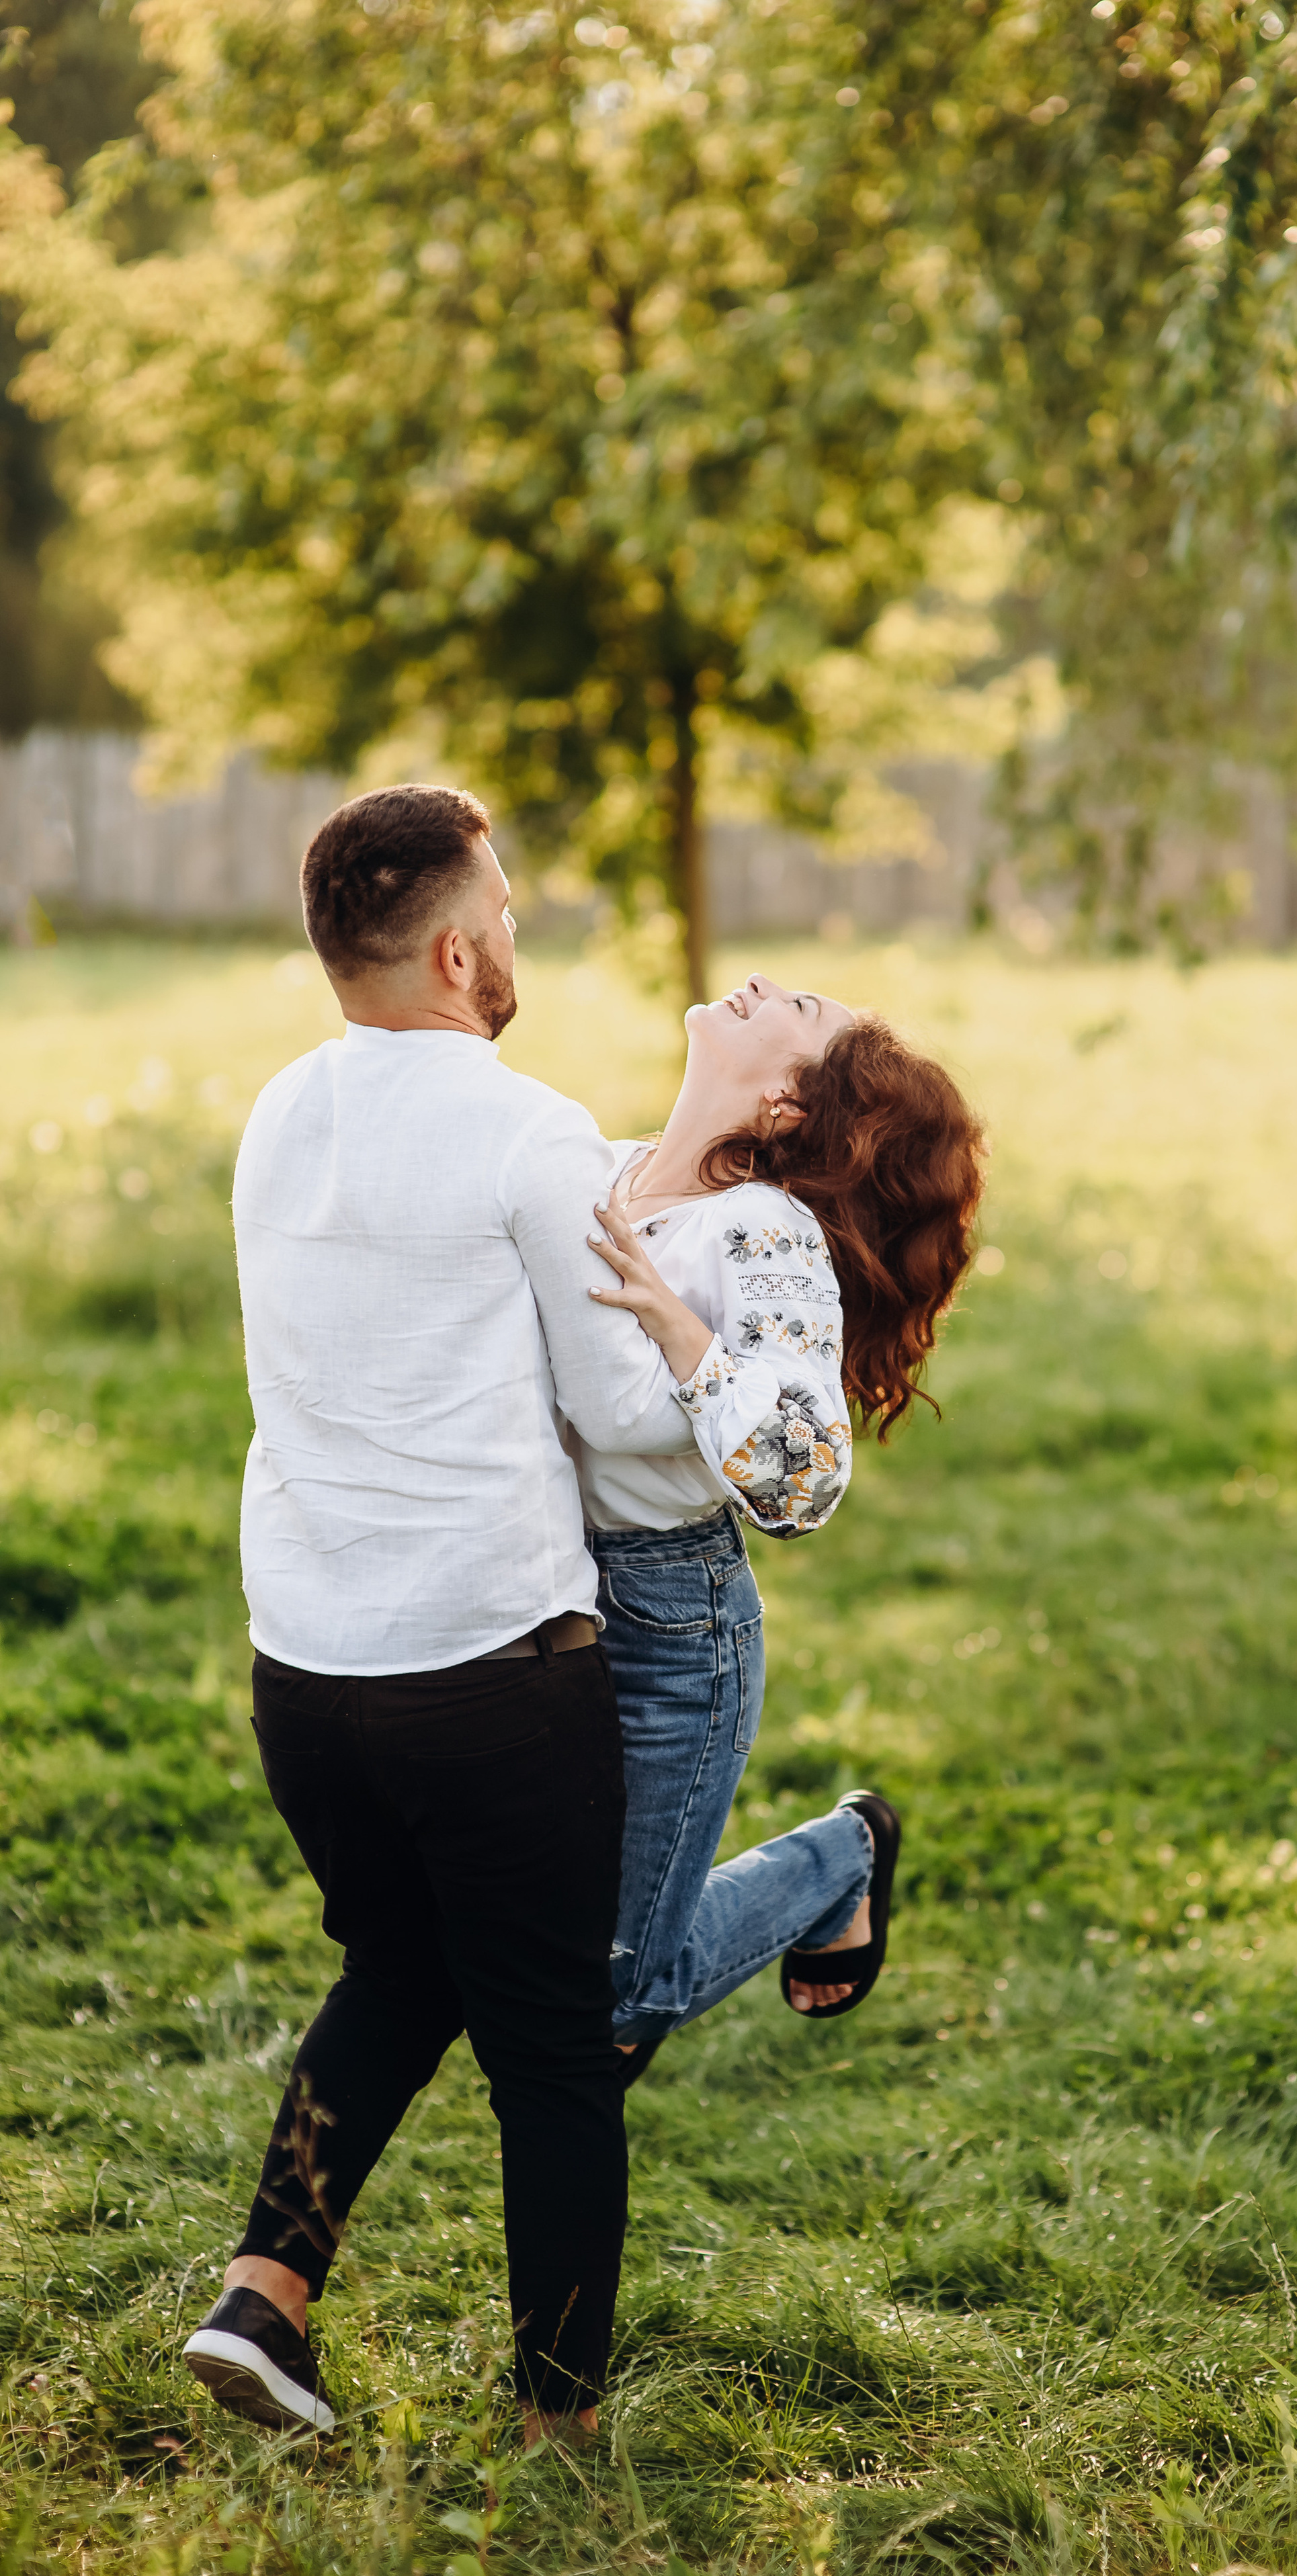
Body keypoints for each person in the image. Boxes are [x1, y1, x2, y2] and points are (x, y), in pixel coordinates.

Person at [180, 783, 698, 2444]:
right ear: (462, 949)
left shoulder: (278, 1112)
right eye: (514, 918)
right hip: (490, 1681)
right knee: (551, 2049)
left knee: (399, 1965)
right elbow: (622, 1413)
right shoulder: (526, 1128)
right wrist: (695, 1334)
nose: (518, 942)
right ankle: (556, 2429)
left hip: (306, 1671)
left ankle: (265, 2293)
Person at [568, 973, 987, 2084]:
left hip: (671, 1627)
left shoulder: (762, 1232)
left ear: (790, 1107)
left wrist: (681, 1332)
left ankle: (844, 1854)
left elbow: (804, 1479)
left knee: (615, 1988)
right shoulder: (601, 1165)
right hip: (545, 1590)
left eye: (798, 1007)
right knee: (552, 1948)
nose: (759, 982)